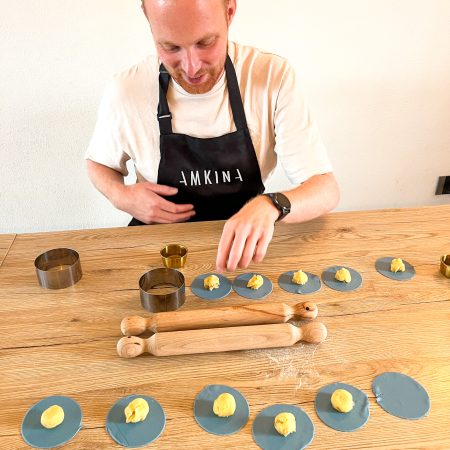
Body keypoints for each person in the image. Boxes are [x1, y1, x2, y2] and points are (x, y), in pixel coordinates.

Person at [85, 0, 339, 273]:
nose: (191, 67)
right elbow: (98, 163)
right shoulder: (127, 90)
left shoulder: (271, 77)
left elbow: (325, 190)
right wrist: (120, 196)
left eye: (205, 43)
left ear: (229, 12)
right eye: (170, 48)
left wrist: (272, 205)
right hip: (160, 254)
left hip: (245, 251)